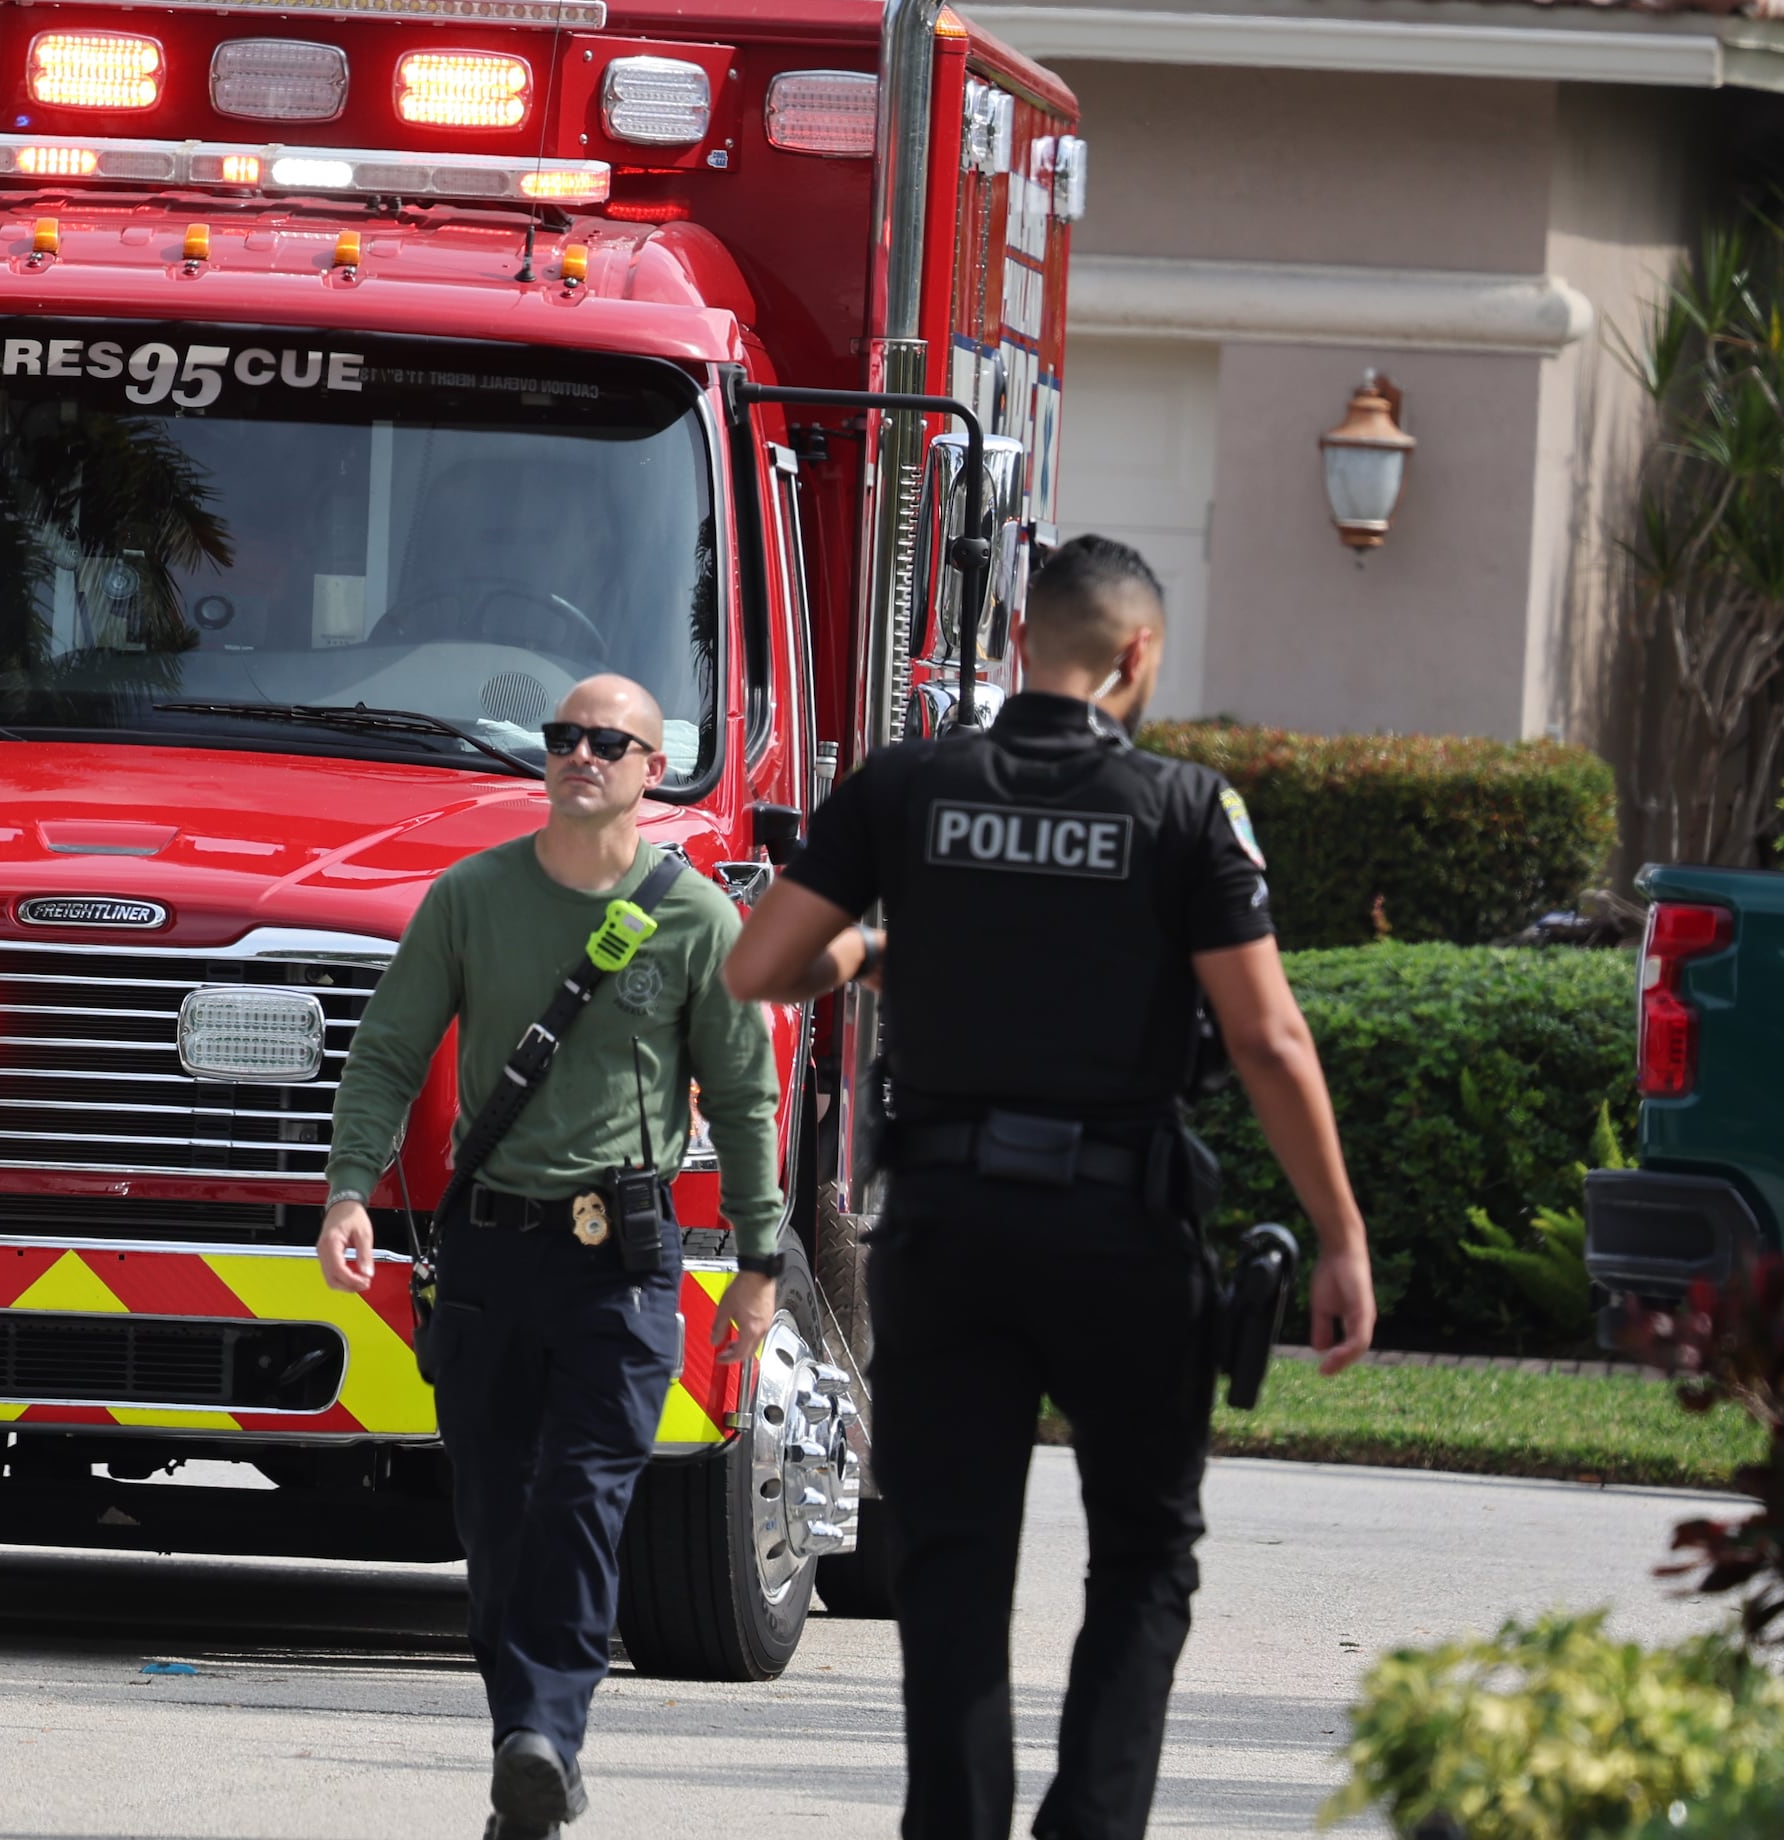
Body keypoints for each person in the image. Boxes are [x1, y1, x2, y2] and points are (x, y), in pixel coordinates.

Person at [721, 533, 1375, 1840]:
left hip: (949, 1231)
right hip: (1118, 1233)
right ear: (1135, 656)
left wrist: (874, 952)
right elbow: (1266, 1037)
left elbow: (758, 969)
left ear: (1023, 638)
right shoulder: (1189, 810)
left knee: (955, 1565)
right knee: (1142, 1554)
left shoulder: (906, 786)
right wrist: (1342, 1235)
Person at [317, 671, 784, 1840]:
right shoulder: (471, 899)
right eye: (565, 737)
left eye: (606, 741)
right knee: (496, 1520)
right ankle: (526, 1743)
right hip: (486, 1261)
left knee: (580, 1502)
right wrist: (346, 1196)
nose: (581, 754)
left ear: (647, 768)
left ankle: (547, 1736)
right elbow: (385, 1053)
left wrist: (763, 1260)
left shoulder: (696, 921)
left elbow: (743, 1095)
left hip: (619, 1269)